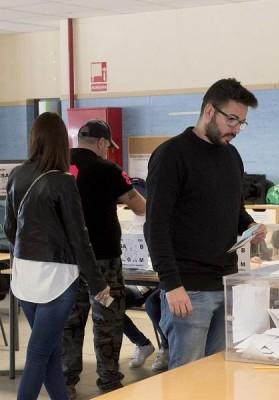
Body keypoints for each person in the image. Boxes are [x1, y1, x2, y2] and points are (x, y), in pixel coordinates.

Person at [145, 78, 264, 370]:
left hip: (226, 284)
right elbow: (155, 225)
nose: (236, 129)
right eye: (232, 119)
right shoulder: (172, 155)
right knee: (186, 380)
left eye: (241, 123)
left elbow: (235, 211)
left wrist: (251, 227)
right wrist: (171, 284)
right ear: (209, 111)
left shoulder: (231, 156)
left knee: (216, 376)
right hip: (188, 289)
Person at [3, 112, 110, 400]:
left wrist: (27, 252)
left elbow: (9, 227)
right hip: (57, 279)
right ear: (62, 142)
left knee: (48, 353)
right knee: (39, 353)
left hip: (24, 277)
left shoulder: (16, 175)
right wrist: (98, 283)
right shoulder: (63, 181)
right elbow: (79, 238)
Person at [62, 119, 146, 396]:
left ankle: (67, 384)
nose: (109, 151)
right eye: (108, 146)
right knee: (107, 321)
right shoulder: (108, 169)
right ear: (101, 143)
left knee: (70, 323)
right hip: (103, 261)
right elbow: (140, 207)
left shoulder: (59, 166)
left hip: (66, 262)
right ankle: (109, 384)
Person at [123, 286, 169, 371]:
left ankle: (167, 347)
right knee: (110, 306)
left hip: (148, 285)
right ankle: (143, 344)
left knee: (151, 303)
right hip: (126, 283)